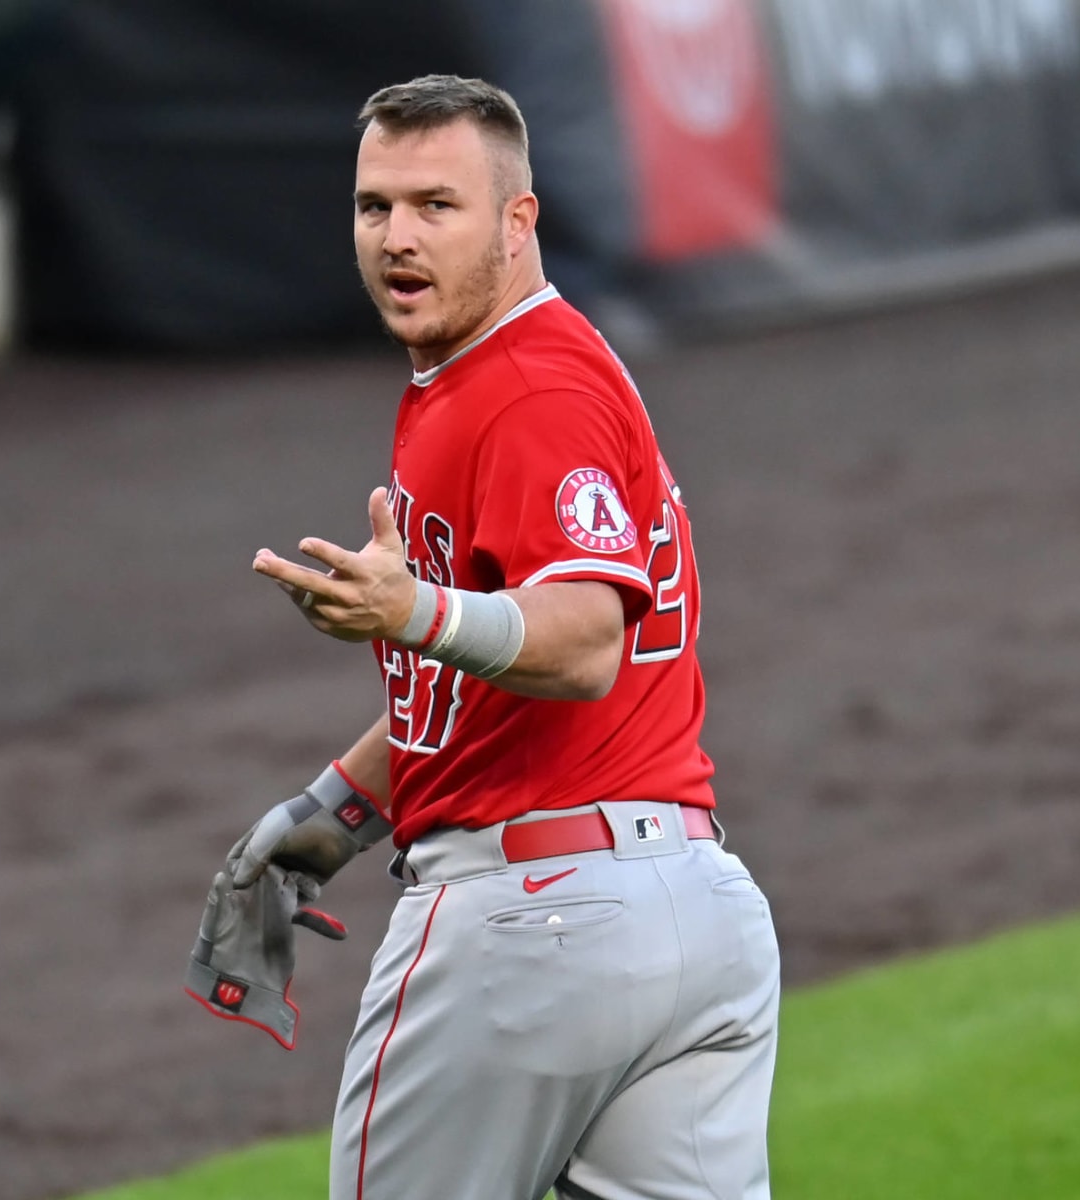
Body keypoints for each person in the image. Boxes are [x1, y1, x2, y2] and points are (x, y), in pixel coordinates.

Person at [191, 74, 781, 1200]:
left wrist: (409, 610)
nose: (397, 240)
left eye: (436, 206)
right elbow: (483, 678)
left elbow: (580, 641)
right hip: (692, 916)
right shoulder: (531, 370)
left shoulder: (522, 394)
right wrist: (328, 817)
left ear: (519, 221)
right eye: (375, 207)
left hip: (530, 934)